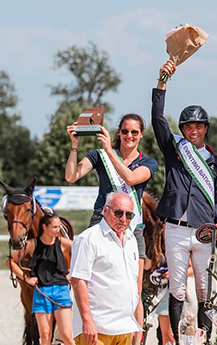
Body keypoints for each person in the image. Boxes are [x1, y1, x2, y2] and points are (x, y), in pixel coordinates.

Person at [65, 112, 158, 343]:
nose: (129, 136)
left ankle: (136, 339)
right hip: (102, 218)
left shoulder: (148, 162)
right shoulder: (100, 155)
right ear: (119, 132)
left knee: (135, 286)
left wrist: (109, 151)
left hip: (132, 223)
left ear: (141, 135)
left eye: (134, 132)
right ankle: (87, 326)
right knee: (84, 277)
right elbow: (71, 176)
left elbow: (131, 179)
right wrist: (74, 146)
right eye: (125, 131)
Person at [151, 60, 217, 341]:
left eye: (198, 125)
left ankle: (203, 337)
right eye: (188, 126)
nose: (193, 130)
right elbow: (158, 120)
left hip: (203, 230)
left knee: (204, 288)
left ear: (205, 128)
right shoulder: (175, 151)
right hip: (175, 228)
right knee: (177, 287)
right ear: (182, 129)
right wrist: (162, 82)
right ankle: (180, 339)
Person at [71, 192, 142, 345]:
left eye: (128, 215)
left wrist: (136, 322)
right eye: (118, 213)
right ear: (105, 210)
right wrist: (87, 321)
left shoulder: (131, 240)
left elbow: (133, 284)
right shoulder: (88, 239)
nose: (123, 219)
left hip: (125, 328)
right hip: (97, 330)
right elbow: (78, 281)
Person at [7, 212, 74, 345]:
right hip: (42, 293)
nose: (57, 230)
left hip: (61, 292)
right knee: (45, 337)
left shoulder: (62, 242)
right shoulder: (33, 245)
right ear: (44, 227)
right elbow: (10, 261)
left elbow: (84, 251)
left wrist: (72, 272)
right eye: (55, 227)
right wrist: (26, 278)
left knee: (67, 336)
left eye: (59, 227)